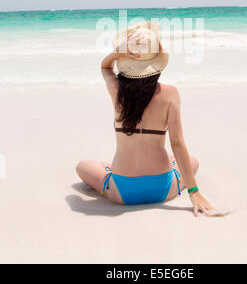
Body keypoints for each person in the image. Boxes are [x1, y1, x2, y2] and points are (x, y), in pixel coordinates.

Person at [76, 21, 217, 217]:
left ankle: (109, 168)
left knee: (83, 166)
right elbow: (177, 143)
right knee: (192, 161)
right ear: (156, 62)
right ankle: (167, 167)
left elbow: (105, 68)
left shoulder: (117, 91)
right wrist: (194, 192)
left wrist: (117, 52)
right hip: (162, 189)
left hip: (122, 191)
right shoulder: (170, 94)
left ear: (126, 63)